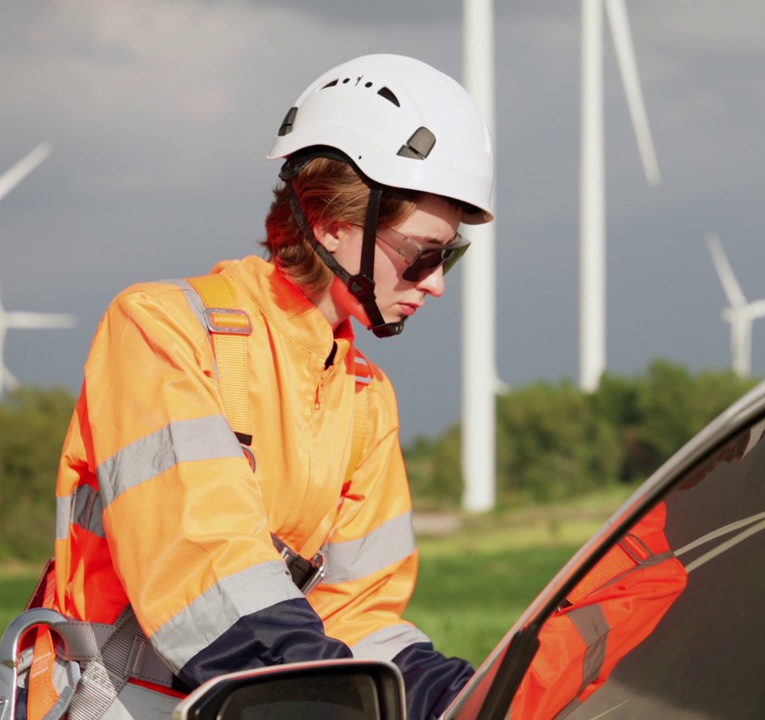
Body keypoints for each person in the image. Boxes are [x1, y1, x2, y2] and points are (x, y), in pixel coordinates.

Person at [26, 53, 494, 720]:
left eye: (450, 256)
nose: (437, 282)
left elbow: (356, 616)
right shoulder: (162, 329)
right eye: (421, 254)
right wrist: (334, 698)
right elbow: (204, 574)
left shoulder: (365, 396)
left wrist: (467, 697)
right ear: (332, 225)